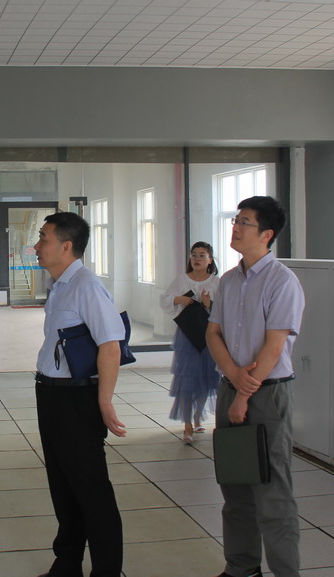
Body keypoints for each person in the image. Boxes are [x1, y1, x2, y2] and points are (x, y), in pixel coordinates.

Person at [206, 196, 305, 577]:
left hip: (267, 394)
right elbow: (213, 333)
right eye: (235, 220)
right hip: (232, 387)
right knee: (235, 489)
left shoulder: (282, 281)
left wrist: (243, 395)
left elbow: (274, 346)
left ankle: (286, 572)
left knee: (272, 494)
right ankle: (242, 567)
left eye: (244, 222)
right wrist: (233, 376)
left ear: (266, 234)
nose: (235, 227)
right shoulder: (229, 280)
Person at [32, 212, 126, 577]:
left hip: (77, 398)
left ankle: (106, 570)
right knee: (62, 485)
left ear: (66, 246)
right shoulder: (59, 284)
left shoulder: (87, 285)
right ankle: (68, 563)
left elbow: (111, 345)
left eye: (44, 239)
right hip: (51, 394)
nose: (37, 246)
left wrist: (104, 401)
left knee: (91, 490)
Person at [160, 241, 220, 444]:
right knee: (187, 380)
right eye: (194, 255)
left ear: (210, 260)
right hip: (187, 336)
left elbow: (224, 310)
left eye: (202, 255)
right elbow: (165, 299)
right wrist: (179, 299)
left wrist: (208, 304)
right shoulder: (182, 280)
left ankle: (197, 416)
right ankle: (187, 424)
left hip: (209, 336)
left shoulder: (216, 283)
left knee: (206, 378)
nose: (197, 259)